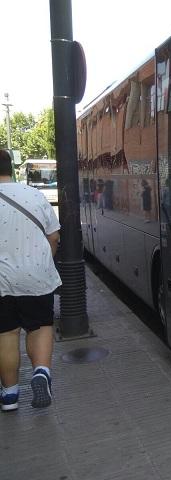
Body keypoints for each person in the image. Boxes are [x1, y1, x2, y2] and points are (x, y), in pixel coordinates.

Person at [0, 149, 60, 411]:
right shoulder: (34, 195)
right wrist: (46, 259)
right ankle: (41, 373)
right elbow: (54, 236)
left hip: (2, 280)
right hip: (36, 275)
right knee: (40, 327)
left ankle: (10, 395)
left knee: (6, 334)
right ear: (10, 168)